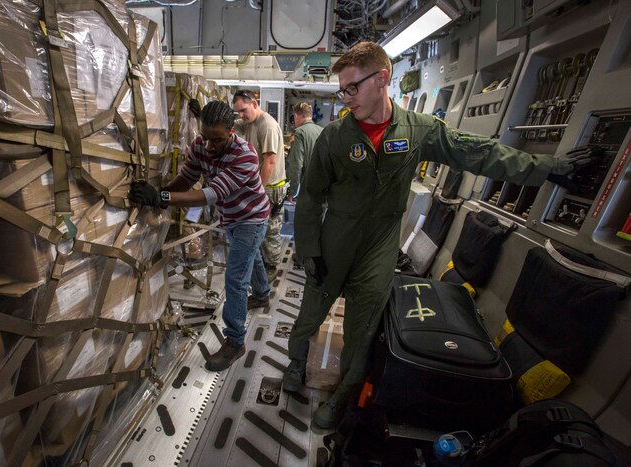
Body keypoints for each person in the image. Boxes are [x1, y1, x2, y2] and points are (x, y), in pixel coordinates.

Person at [283, 41, 601, 429]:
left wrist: (548, 168)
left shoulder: (419, 131)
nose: (346, 97)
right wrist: (310, 249)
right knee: (309, 315)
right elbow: (312, 197)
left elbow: (479, 154)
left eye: (353, 87)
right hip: (334, 241)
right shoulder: (334, 137)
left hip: (380, 246)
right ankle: (296, 364)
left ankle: (342, 398)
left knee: (362, 330)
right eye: (342, 90)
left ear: (382, 78)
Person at [129, 100, 271, 372]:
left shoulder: (245, 156)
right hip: (231, 216)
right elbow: (187, 178)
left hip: (251, 218)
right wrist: (160, 195)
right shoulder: (201, 145)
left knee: (235, 278)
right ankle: (263, 294)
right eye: (204, 137)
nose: (208, 145)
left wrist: (162, 197)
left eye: (215, 140)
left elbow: (208, 196)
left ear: (231, 132)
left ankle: (235, 341)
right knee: (250, 258)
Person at [232, 90, 286, 282]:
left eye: (244, 110)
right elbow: (232, 126)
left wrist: (258, 192)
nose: (241, 115)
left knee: (270, 230)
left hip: (270, 187)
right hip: (260, 186)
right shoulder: (249, 122)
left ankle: (271, 267)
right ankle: (263, 264)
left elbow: (270, 162)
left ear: (255, 104)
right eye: (237, 112)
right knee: (259, 230)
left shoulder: (267, 126)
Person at [286, 102, 323, 203]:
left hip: (307, 187)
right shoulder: (322, 131)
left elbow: (296, 165)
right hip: (322, 186)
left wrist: (291, 191)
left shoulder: (299, 133)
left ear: (296, 116)